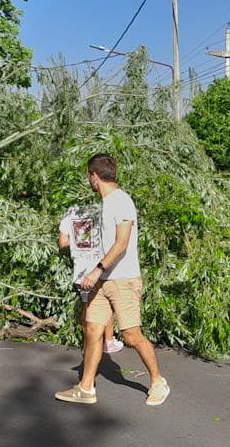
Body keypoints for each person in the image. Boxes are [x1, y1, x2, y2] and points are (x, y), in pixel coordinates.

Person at [55, 154, 170, 406]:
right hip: (103, 280)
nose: (89, 181)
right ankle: (86, 388)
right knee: (93, 329)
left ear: (94, 176)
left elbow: (121, 244)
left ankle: (158, 381)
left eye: (89, 176)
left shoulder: (121, 201)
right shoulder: (106, 204)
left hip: (123, 280)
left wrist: (96, 269)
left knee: (131, 335)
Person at [59, 205, 123, 353]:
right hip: (101, 267)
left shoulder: (70, 211)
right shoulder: (102, 208)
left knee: (86, 305)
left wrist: (77, 243)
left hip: (81, 268)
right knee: (106, 304)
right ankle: (107, 341)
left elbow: (62, 243)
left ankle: (88, 343)